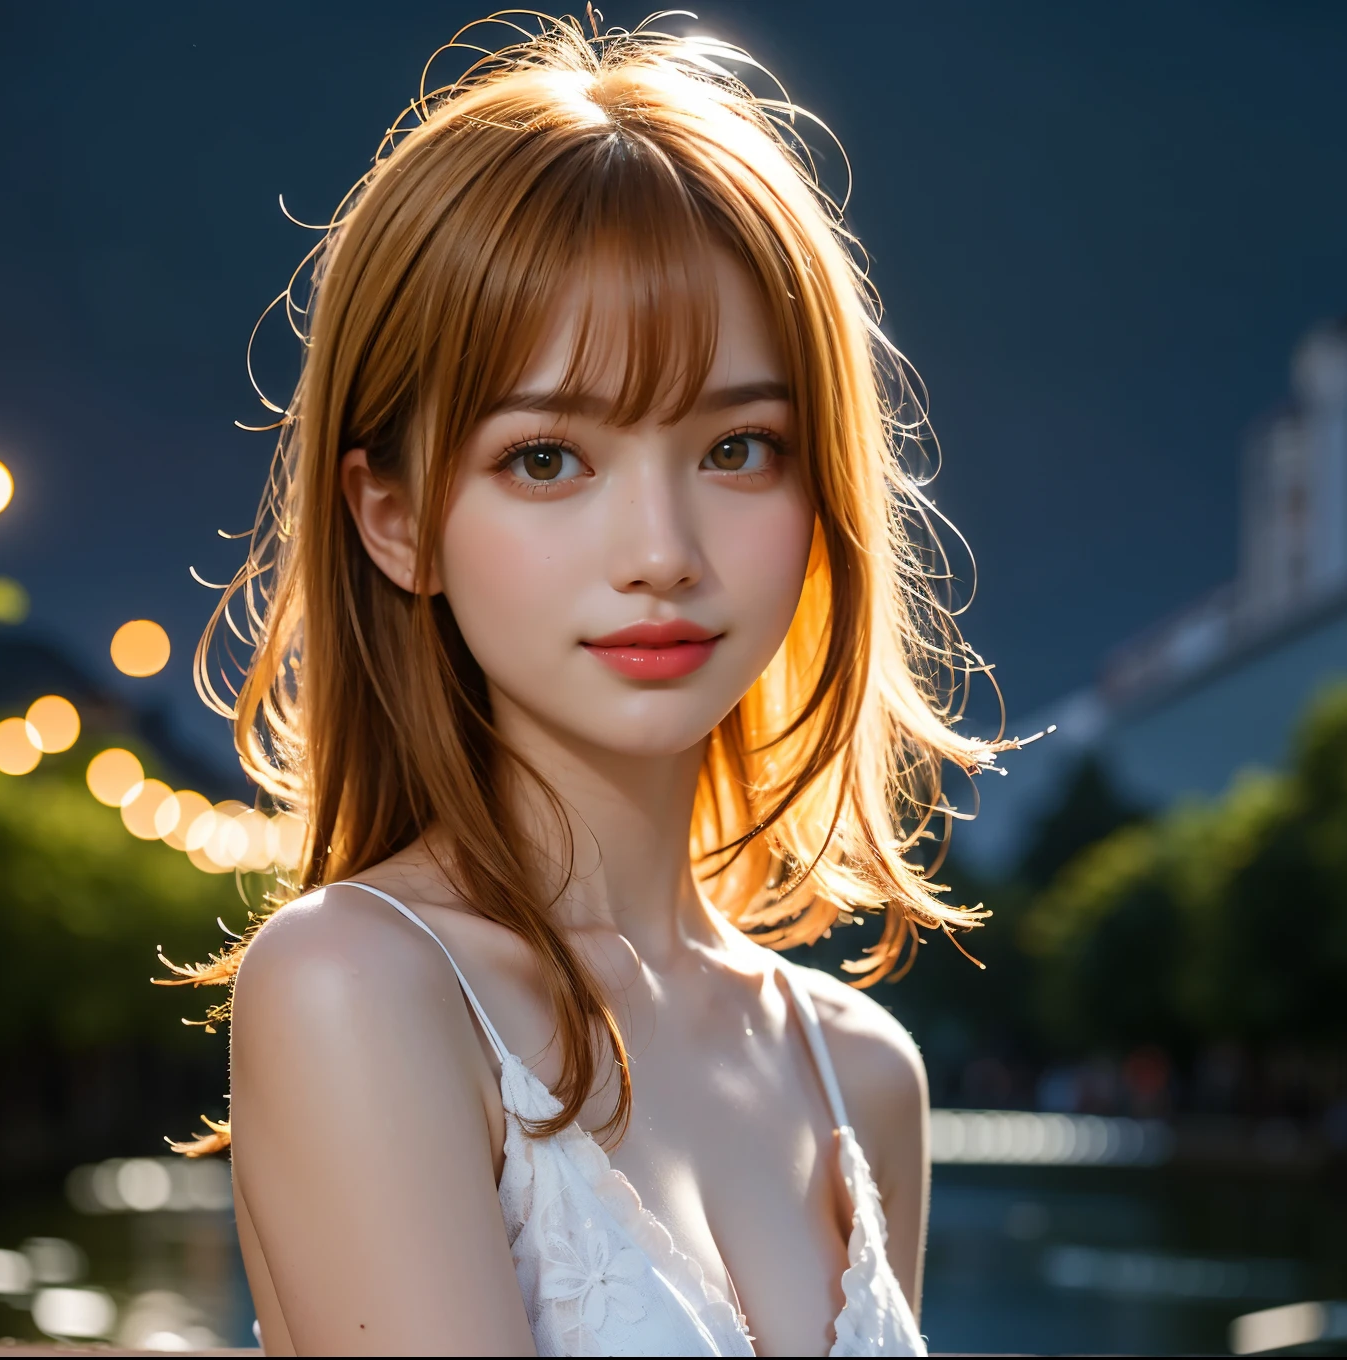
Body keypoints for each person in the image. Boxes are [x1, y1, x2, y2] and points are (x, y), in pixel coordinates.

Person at [173, 13, 1007, 1355]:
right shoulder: (359, 986)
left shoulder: (861, 1073)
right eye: (548, 460)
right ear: (391, 517)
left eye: (739, 447)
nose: (663, 556)